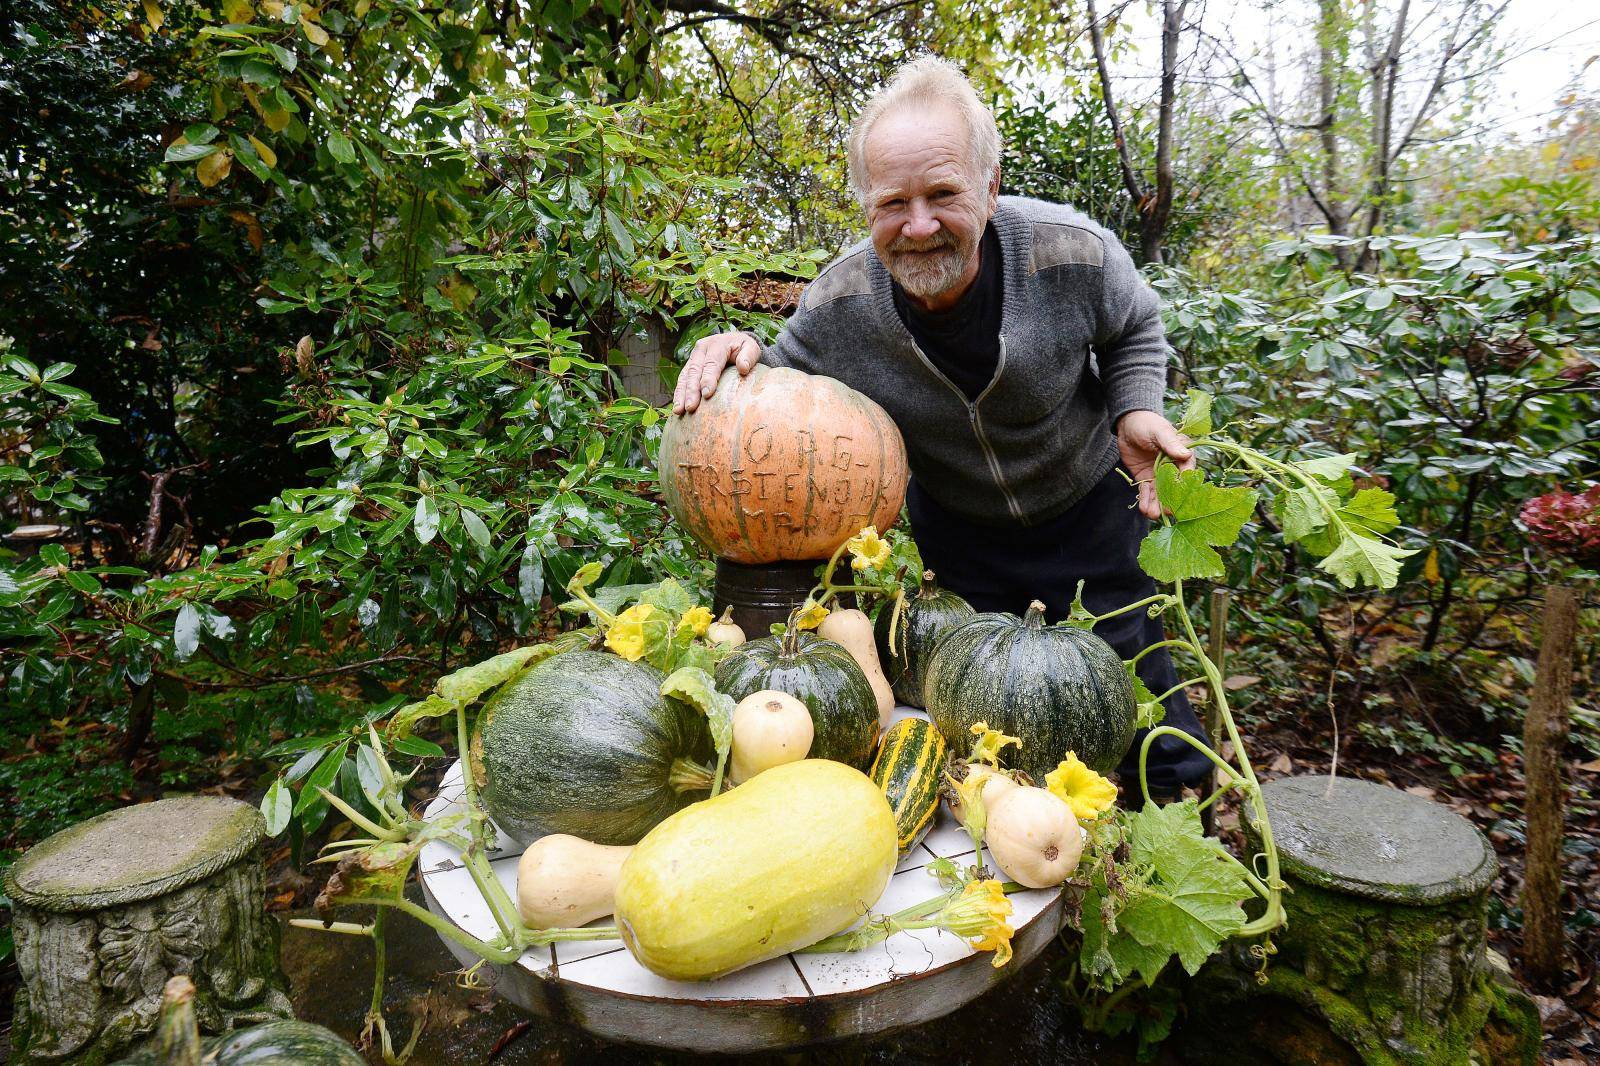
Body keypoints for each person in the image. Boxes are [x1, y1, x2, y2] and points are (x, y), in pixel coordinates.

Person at [670, 56, 1209, 797]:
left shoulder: (1071, 252)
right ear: (865, 206)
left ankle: (1191, 829)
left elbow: (1136, 328)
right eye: (893, 202)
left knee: (1128, 694)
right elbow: (782, 374)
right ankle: (1045, 881)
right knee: (992, 726)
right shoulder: (840, 303)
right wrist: (738, 352)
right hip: (959, 545)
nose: (918, 226)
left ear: (989, 187)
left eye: (943, 194)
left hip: (1090, 514)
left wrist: (1137, 406)